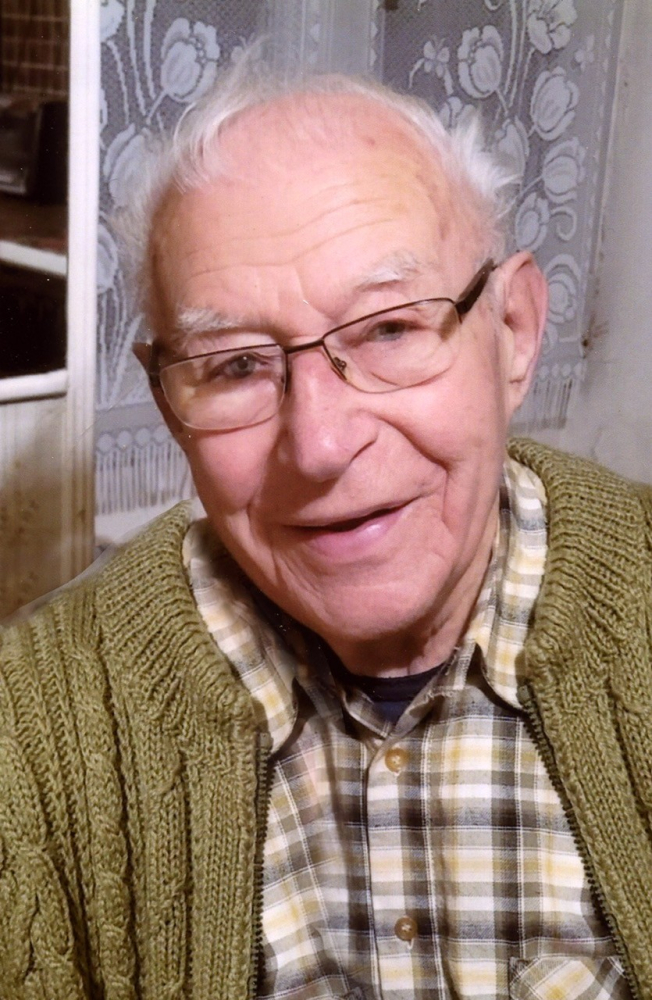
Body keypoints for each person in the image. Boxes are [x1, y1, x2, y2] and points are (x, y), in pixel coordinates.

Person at [1, 48, 651, 1000]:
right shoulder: (31, 727)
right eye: (235, 365)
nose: (319, 445)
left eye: (389, 329)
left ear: (513, 332)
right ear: (169, 401)